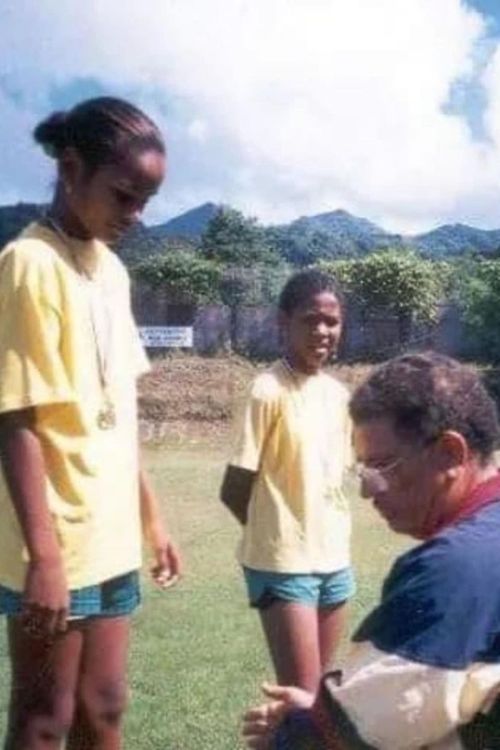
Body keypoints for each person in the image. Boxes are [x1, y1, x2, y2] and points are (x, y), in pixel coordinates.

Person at [0, 96, 181, 749]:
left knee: (104, 708)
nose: (135, 215)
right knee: (43, 719)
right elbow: (16, 416)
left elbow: (117, 412)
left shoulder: (112, 271)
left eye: (146, 202)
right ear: (71, 167)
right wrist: (42, 556)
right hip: (56, 541)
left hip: (109, 537)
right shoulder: (29, 264)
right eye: (124, 195)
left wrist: (151, 519)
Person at [243, 352, 500, 749]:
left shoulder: (453, 568)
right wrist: (324, 709)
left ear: (451, 454)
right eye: (362, 470)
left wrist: (296, 731)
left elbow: (349, 740)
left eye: (381, 466)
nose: (367, 490)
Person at [221, 269, 355, 692]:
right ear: (283, 322)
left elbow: (342, 474)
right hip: (282, 563)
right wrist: (273, 529)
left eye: (331, 321)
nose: (321, 330)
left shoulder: (338, 395)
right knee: (302, 695)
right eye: (309, 319)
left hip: (335, 559)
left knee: (318, 704)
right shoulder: (266, 389)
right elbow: (234, 487)